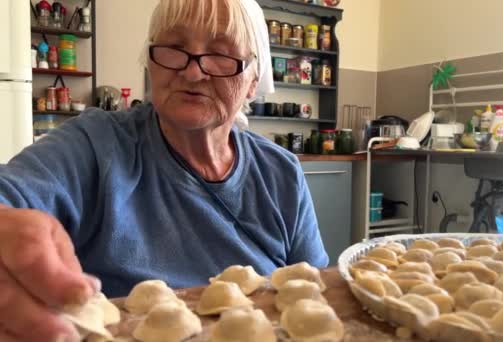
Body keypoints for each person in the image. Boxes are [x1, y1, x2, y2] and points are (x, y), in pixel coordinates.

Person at [0, 0, 328, 340]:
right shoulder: (96, 145)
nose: (192, 71)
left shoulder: (281, 173)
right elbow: (9, 195)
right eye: (174, 47)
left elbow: (317, 291)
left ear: (251, 80)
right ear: (150, 63)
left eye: (220, 53)